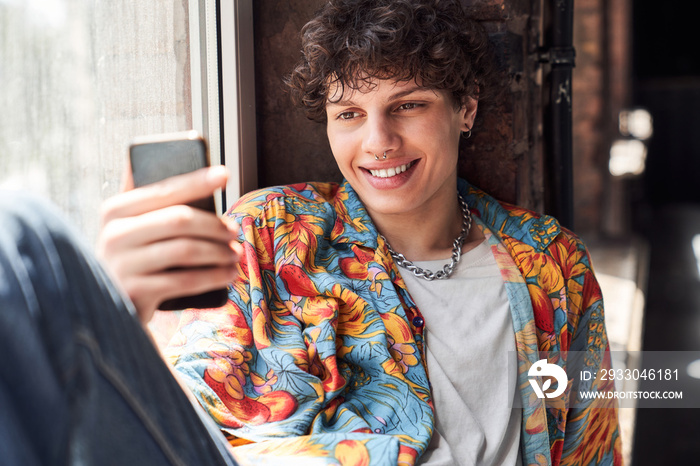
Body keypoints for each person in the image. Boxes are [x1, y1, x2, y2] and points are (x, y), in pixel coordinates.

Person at [0, 0, 621, 465]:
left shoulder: (550, 263)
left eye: (407, 105)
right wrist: (124, 310)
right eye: (349, 113)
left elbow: (589, 444)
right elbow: (186, 398)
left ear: (466, 109)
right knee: (17, 236)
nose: (377, 142)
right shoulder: (270, 230)